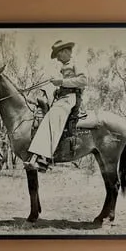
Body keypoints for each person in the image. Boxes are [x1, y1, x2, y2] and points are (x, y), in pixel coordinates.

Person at [28, 41, 86, 169]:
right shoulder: (64, 66)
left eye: (58, 55)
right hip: (63, 97)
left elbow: (83, 80)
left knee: (53, 116)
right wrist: (58, 89)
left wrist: (61, 82)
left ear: (65, 51)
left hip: (71, 98)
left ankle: (44, 158)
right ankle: (39, 154)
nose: (58, 58)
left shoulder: (76, 63)